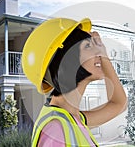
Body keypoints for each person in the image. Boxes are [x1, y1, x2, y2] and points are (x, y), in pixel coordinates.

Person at [22, 17, 127, 147]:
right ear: (67, 60)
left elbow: (119, 104)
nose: (98, 52)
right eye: (88, 46)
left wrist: (103, 54)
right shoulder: (55, 129)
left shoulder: (73, 118)